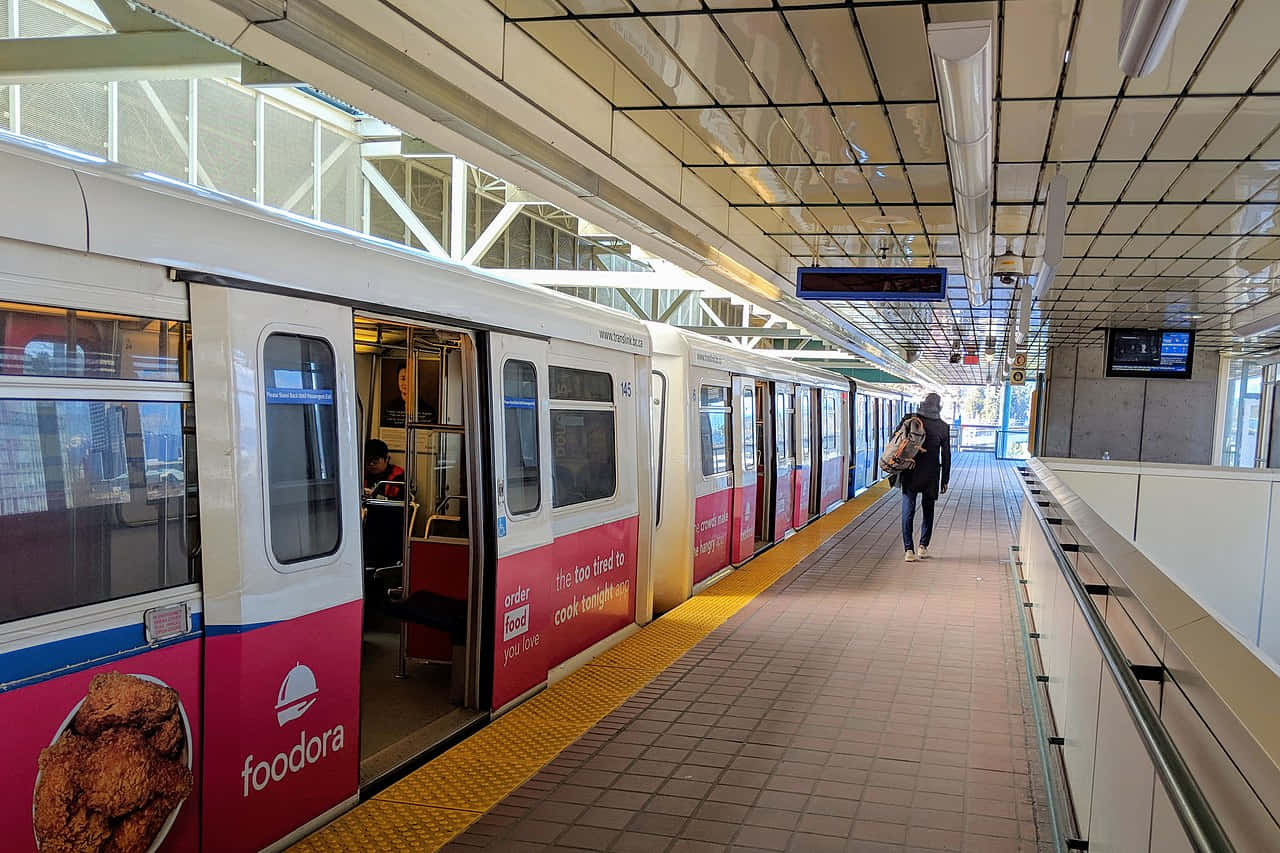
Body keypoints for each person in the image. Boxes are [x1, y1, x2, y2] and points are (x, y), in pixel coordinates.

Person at [898, 392, 950, 562]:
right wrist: (945, 480)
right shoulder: (943, 427)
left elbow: (896, 441)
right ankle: (923, 547)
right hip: (931, 474)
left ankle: (908, 550)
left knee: (908, 510)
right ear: (939, 407)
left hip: (910, 471)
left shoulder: (910, 419)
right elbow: (946, 456)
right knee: (928, 511)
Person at [363, 439, 406, 573]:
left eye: (375, 460)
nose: (370, 464)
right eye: (367, 460)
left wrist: (375, 497)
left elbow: (399, 504)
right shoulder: (360, 474)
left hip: (388, 525)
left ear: (387, 459)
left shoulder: (398, 477)